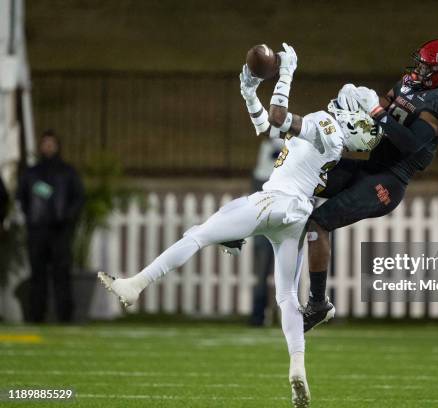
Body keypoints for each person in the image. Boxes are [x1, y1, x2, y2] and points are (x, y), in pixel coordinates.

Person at [98, 43, 381, 408]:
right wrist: (249, 92)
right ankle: (298, 366)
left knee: (198, 234)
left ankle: (135, 285)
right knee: (286, 297)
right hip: (296, 216)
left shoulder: (325, 123)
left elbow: (278, 117)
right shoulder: (334, 137)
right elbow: (266, 126)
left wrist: (287, 72)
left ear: (350, 113)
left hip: (274, 200)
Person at [301, 39, 438, 331]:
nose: (419, 68)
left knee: (319, 223)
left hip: (388, 181)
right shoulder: (408, 83)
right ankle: (246, 228)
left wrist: (377, 114)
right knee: (302, 177)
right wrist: (354, 104)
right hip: (369, 167)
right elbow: (381, 107)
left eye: (427, 66)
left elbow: (412, 144)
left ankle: (317, 303)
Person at [17, 130, 85, 323]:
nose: (48, 147)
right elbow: (21, 198)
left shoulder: (67, 172)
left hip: (60, 232)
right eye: (45, 143)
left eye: (51, 143)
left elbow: (78, 198)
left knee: (61, 274)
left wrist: (67, 217)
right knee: (37, 275)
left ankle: (65, 316)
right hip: (37, 231)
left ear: (57, 146)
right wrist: (30, 217)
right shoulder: (32, 173)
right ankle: (36, 315)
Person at [250, 137, 284, 326]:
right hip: (269, 222)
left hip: (276, 222)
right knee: (266, 272)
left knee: (278, 273)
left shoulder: (274, 147)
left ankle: (263, 315)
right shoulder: (270, 148)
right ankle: (258, 314)